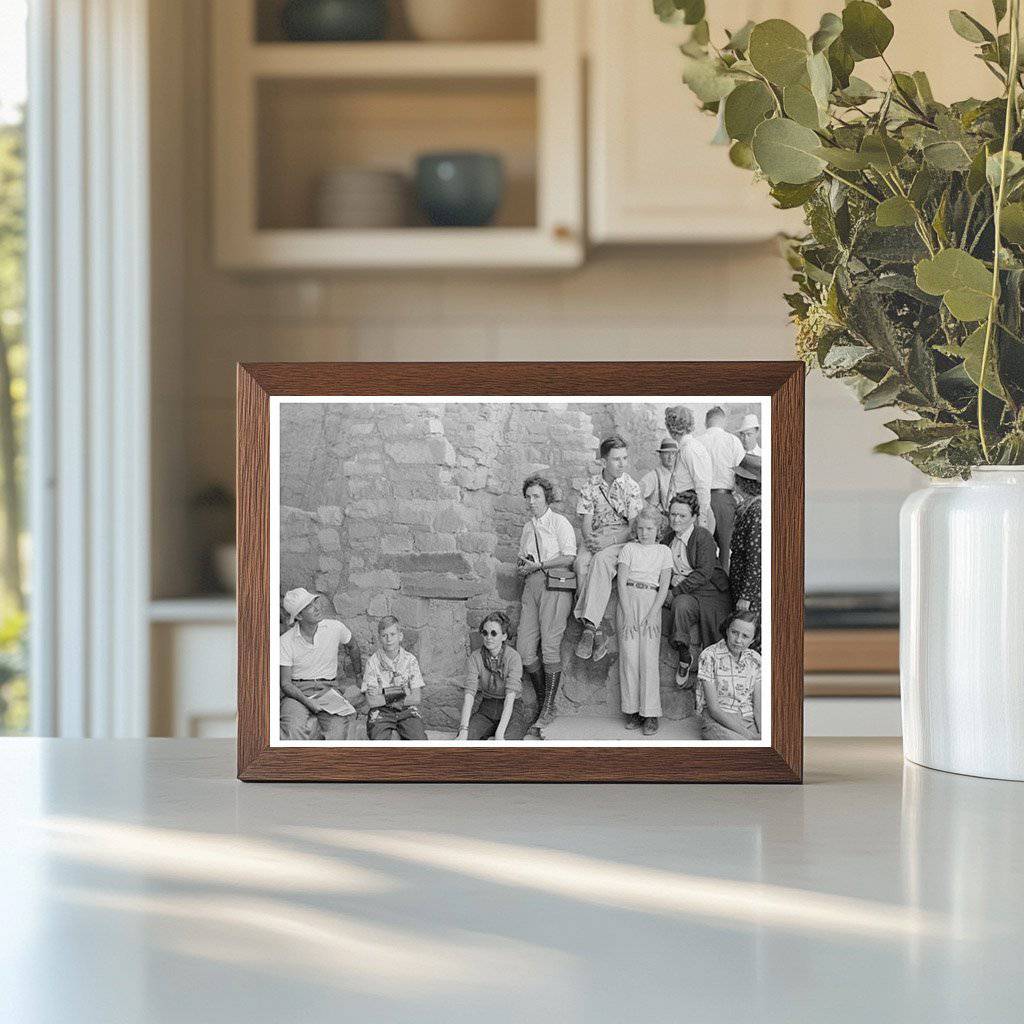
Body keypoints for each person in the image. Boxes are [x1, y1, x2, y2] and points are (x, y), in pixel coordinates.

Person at [573, 435, 643, 662]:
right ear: (604, 462)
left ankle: (589, 628)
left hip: (621, 538)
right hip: (596, 535)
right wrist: (590, 540)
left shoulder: (631, 487)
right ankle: (598, 627)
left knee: (602, 560)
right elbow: (586, 522)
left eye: (625, 458)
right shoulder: (591, 486)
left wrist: (607, 542)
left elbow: (633, 528)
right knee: (580, 564)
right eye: (616, 459)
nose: (622, 463)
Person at [516, 474, 577, 734]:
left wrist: (540, 564)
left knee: (550, 647)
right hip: (531, 586)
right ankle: (544, 701)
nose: (531, 501)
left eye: (536, 496)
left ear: (546, 497)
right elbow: (522, 557)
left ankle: (549, 708)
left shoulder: (559, 522)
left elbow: (570, 556)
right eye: (528, 497)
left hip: (555, 585)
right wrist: (523, 567)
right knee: (525, 649)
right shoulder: (527, 527)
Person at [664, 490, 732, 688]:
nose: (676, 519)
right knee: (680, 606)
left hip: (712, 591)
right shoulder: (667, 539)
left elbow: (704, 572)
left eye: (682, 515)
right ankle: (684, 656)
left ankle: (718, 675)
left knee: (716, 630)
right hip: (689, 592)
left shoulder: (702, 537)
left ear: (693, 517)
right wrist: (671, 581)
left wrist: (675, 588)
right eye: (673, 514)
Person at [615, 507, 674, 736]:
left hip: (651, 602)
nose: (644, 533)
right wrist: (628, 613)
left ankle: (650, 713)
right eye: (640, 528)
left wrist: (653, 613)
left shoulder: (663, 551)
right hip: (629, 600)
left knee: (648, 659)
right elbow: (621, 582)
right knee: (629, 657)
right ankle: (631, 710)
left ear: (658, 529)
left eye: (649, 528)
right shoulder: (629, 549)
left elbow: (664, 585)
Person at [279, 587, 362, 741]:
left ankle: (327, 765)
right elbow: (285, 683)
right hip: (297, 692)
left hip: (328, 689)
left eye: (314, 602)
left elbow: (353, 645)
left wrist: (358, 676)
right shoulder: (285, 641)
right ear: (299, 616)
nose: (316, 608)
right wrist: (307, 702)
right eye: (309, 606)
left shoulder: (334, 627)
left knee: (338, 728)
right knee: (292, 728)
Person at [458, 612, 528, 741]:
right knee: (466, 739)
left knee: (507, 742)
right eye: (485, 633)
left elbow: (510, 697)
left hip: (511, 708)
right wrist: (463, 729)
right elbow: (469, 693)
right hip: (487, 707)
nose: (488, 637)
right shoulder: (475, 657)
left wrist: (499, 734)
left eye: (494, 633)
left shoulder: (513, 657)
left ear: (504, 636)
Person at [362, 615, 428, 741]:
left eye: (392, 634)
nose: (389, 639)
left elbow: (415, 698)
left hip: (407, 711)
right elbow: (372, 701)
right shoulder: (373, 662)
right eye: (384, 635)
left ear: (400, 636)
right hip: (381, 713)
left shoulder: (410, 660)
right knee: (379, 742)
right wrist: (404, 691)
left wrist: (383, 692)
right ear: (379, 638)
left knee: (420, 741)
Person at [697, 611, 761, 741]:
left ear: (753, 640)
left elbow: (758, 704)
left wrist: (763, 733)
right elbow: (714, 709)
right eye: (734, 632)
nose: (738, 640)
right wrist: (750, 736)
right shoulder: (709, 655)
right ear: (727, 631)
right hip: (718, 720)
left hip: (748, 718)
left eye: (745, 636)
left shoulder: (755, 659)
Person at [701, 406, 749, 572]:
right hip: (724, 499)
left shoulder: (697, 441)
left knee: (701, 548)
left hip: (700, 499)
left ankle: (705, 589)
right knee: (725, 548)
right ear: (724, 421)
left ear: (706, 422)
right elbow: (743, 472)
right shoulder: (732, 441)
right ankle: (724, 591)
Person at [664, 406, 714, 533]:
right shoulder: (686, 447)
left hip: (692, 509)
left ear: (671, 427)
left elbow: (702, 485)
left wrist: (702, 520)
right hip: (685, 508)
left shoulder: (690, 449)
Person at [729, 463, 762, 616]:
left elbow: (756, 556)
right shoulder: (749, 507)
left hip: (750, 594)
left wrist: (746, 596)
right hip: (741, 583)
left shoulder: (756, 511)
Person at [639, 437, 680, 535]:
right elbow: (636, 494)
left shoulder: (680, 475)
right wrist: (652, 511)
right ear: (660, 455)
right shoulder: (653, 476)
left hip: (677, 522)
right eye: (666, 453)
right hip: (660, 526)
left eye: (673, 453)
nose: (670, 457)